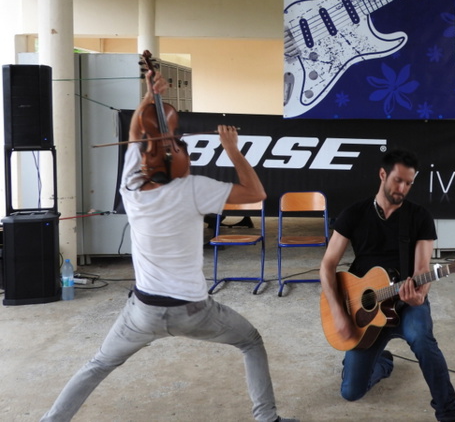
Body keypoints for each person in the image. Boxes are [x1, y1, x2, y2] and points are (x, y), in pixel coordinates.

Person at [41, 70, 297, 422]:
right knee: (250, 341)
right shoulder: (191, 188)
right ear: (167, 162)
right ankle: (267, 419)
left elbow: (137, 132)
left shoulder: (132, 183)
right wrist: (232, 150)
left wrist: (149, 96)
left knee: (98, 363)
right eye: (175, 146)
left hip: (143, 312)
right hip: (193, 311)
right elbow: (256, 193)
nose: (180, 147)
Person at [320, 149, 455, 422]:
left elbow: (422, 270)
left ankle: (449, 412)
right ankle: (382, 361)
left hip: (405, 300)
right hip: (362, 307)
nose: (403, 188)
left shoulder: (419, 217)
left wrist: (419, 296)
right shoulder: (354, 214)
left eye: (409, 183)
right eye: (398, 180)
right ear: (383, 174)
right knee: (351, 392)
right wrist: (339, 312)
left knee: (422, 339)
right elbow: (327, 265)